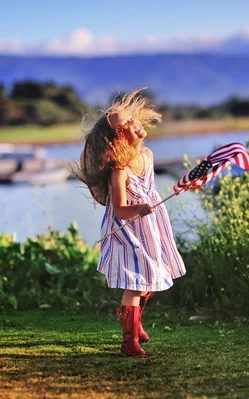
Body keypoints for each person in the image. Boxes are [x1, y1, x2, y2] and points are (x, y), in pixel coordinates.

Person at [73, 88, 186, 357]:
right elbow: (121, 209)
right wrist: (140, 207)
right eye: (128, 123)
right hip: (127, 231)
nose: (135, 124)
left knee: (152, 278)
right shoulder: (119, 170)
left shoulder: (147, 155)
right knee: (136, 281)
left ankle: (133, 321)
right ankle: (128, 341)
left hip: (149, 225)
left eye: (134, 119)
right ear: (118, 138)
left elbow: (150, 188)